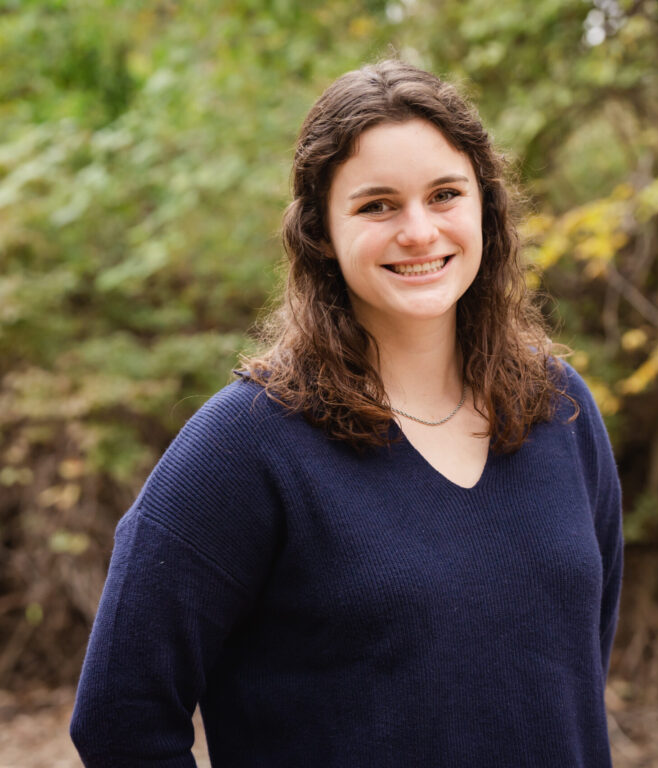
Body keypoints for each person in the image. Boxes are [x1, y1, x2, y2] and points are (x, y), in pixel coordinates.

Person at [70, 59, 623, 767]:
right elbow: (121, 714)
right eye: (377, 205)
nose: (419, 231)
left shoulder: (561, 409)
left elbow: (573, 669)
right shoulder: (246, 444)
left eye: (445, 194)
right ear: (321, 233)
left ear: (485, 206)